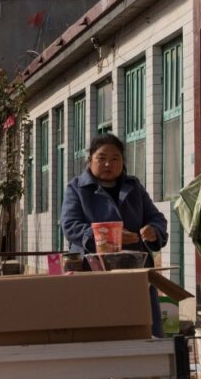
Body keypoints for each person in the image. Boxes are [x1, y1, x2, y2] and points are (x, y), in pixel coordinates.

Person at [60, 132, 170, 335]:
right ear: (90, 159)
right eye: (101, 159)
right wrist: (108, 237)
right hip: (92, 272)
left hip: (134, 274)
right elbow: (70, 225)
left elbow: (156, 218)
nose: (108, 165)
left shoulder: (133, 186)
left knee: (140, 331)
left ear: (122, 161)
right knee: (99, 331)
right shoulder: (76, 188)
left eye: (115, 159)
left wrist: (154, 231)